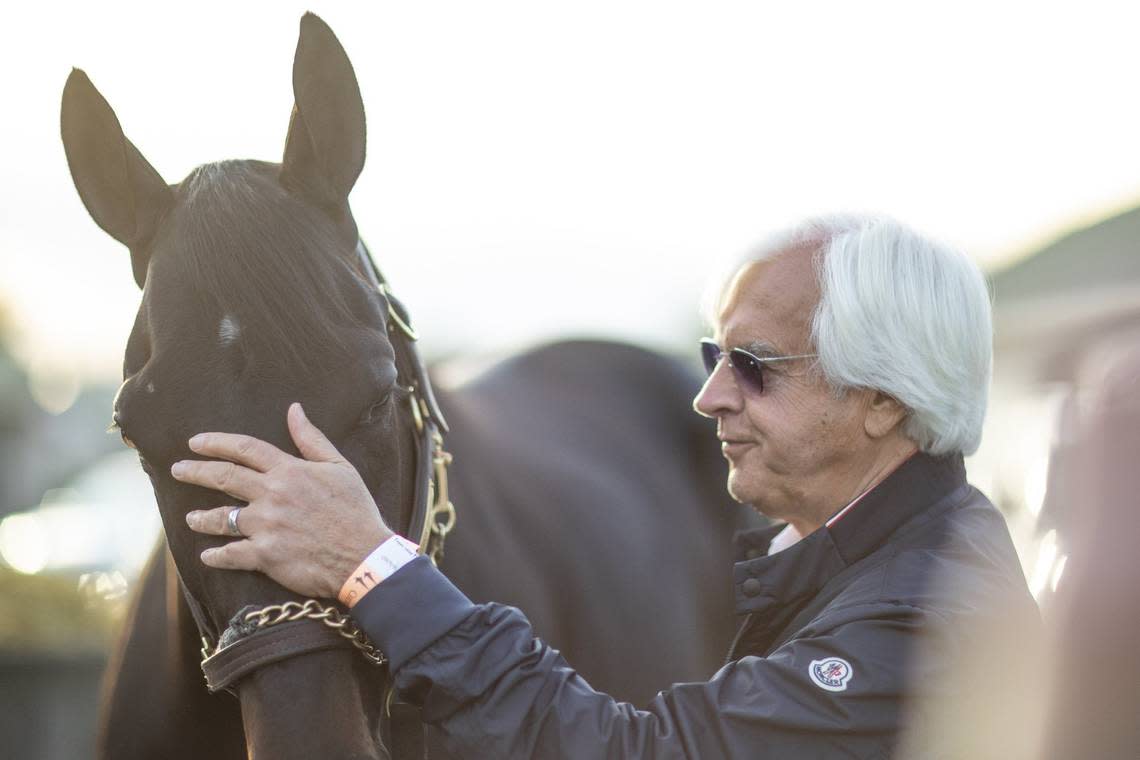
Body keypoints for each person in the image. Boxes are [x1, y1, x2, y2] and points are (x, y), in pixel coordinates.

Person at [171, 215, 1041, 758]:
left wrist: (372, 565)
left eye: (756, 368)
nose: (710, 398)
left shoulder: (919, 622)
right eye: (713, 357)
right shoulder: (886, 550)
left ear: (883, 401)